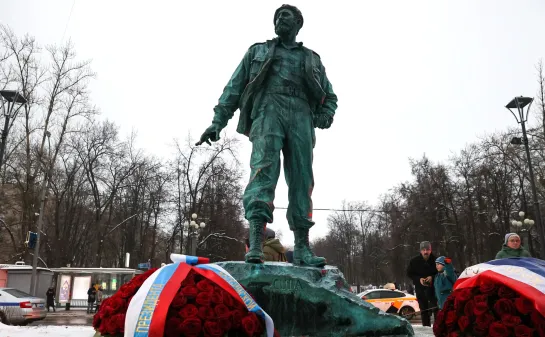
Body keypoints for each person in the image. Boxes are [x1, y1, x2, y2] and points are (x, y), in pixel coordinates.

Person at [197, 4, 338, 267]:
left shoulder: (312, 59)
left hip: (301, 114)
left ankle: (303, 248)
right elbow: (234, 88)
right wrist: (218, 121)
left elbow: (330, 96)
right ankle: (256, 245)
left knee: (302, 179)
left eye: (286, 15)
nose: (280, 19)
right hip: (267, 110)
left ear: (298, 23)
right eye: (277, 16)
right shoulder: (257, 52)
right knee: (262, 172)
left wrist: (325, 115)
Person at [406, 241, 438, 327]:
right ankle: (426, 330)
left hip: (434, 290)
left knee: (436, 310)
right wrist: (419, 279)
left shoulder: (436, 260)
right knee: (424, 311)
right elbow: (409, 273)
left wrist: (432, 277)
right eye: (423, 250)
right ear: (420, 251)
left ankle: (439, 330)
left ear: (431, 250)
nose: (425, 252)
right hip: (420, 290)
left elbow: (441, 272)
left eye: (427, 249)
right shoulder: (414, 261)